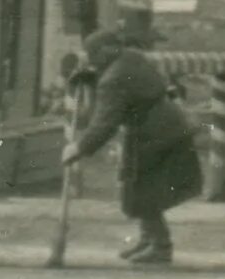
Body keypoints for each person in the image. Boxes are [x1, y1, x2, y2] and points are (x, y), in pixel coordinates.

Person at [67, 28, 203, 266]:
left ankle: (160, 247)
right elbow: (126, 87)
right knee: (141, 186)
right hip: (166, 125)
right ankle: (148, 240)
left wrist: (79, 148)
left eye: (92, 54)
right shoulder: (132, 58)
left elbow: (104, 123)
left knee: (144, 190)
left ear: (106, 51)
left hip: (153, 134)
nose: (90, 59)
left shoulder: (113, 79)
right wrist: (92, 77)